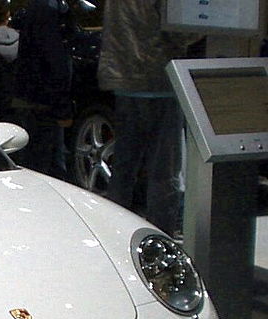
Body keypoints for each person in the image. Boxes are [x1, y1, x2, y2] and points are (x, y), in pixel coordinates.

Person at [97, 0, 200, 238]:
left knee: (124, 168)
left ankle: (114, 232)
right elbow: (177, 32)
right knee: (164, 170)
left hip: (124, 82)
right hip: (158, 81)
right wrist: (203, 27)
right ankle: (161, 235)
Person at [12, 0, 75, 180]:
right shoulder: (50, 11)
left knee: (35, 157)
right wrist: (63, 109)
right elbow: (55, 63)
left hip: (32, 96)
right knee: (44, 160)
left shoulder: (39, 9)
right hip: (44, 100)